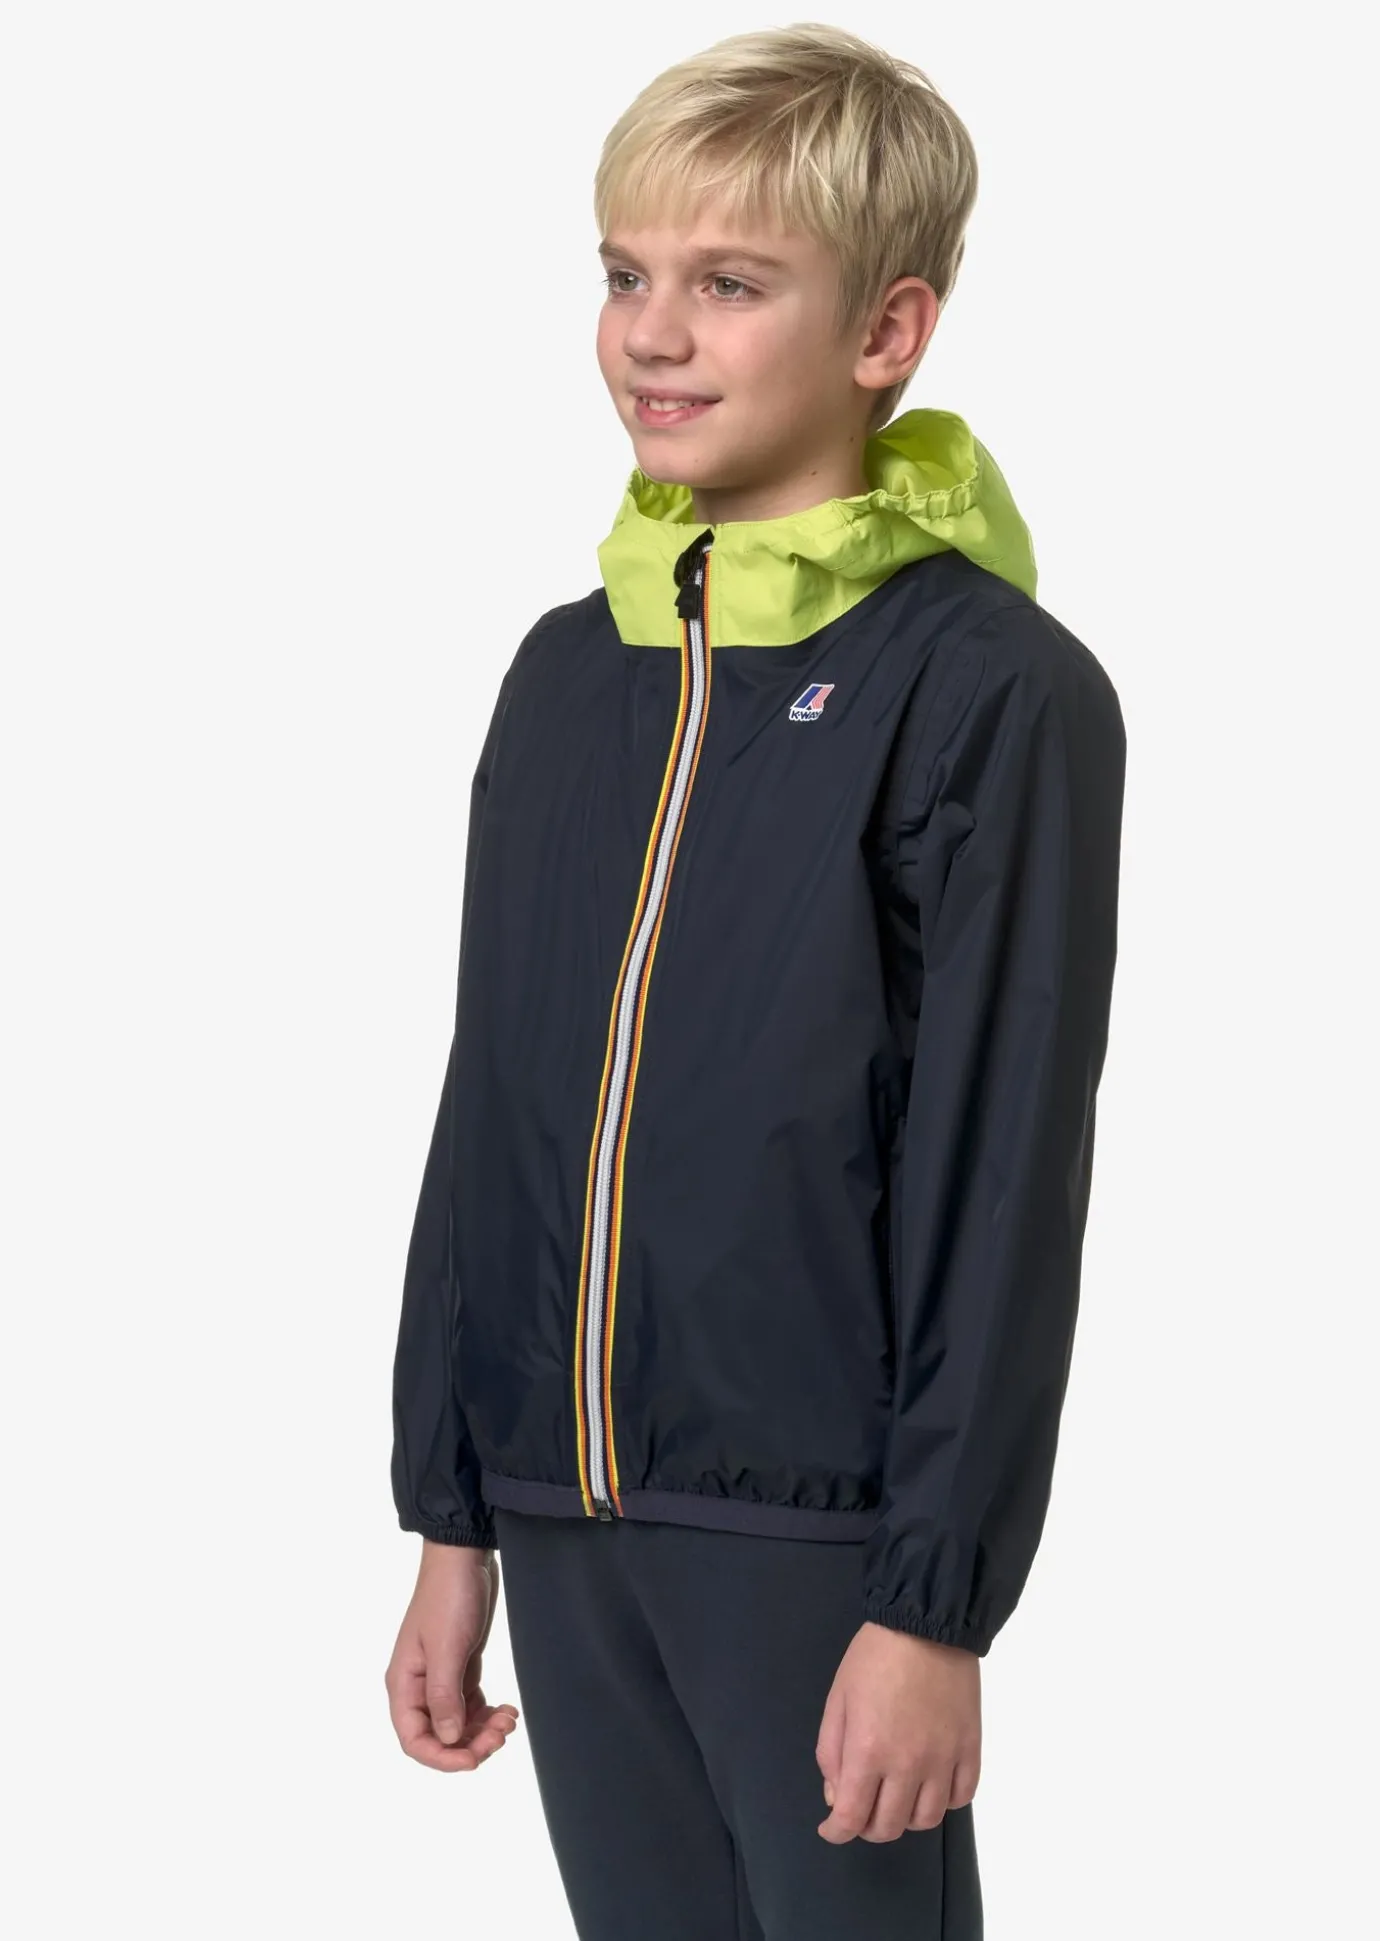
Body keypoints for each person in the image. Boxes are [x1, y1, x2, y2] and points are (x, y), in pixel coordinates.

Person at [384, 23, 1126, 1939]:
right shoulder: (570, 673)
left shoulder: (989, 691)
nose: (653, 334)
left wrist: (933, 1606)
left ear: (887, 331)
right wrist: (451, 1515)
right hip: (560, 1514)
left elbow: (1000, 1174)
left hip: (815, 1539)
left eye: (729, 284)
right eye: (626, 273)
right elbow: (493, 1102)